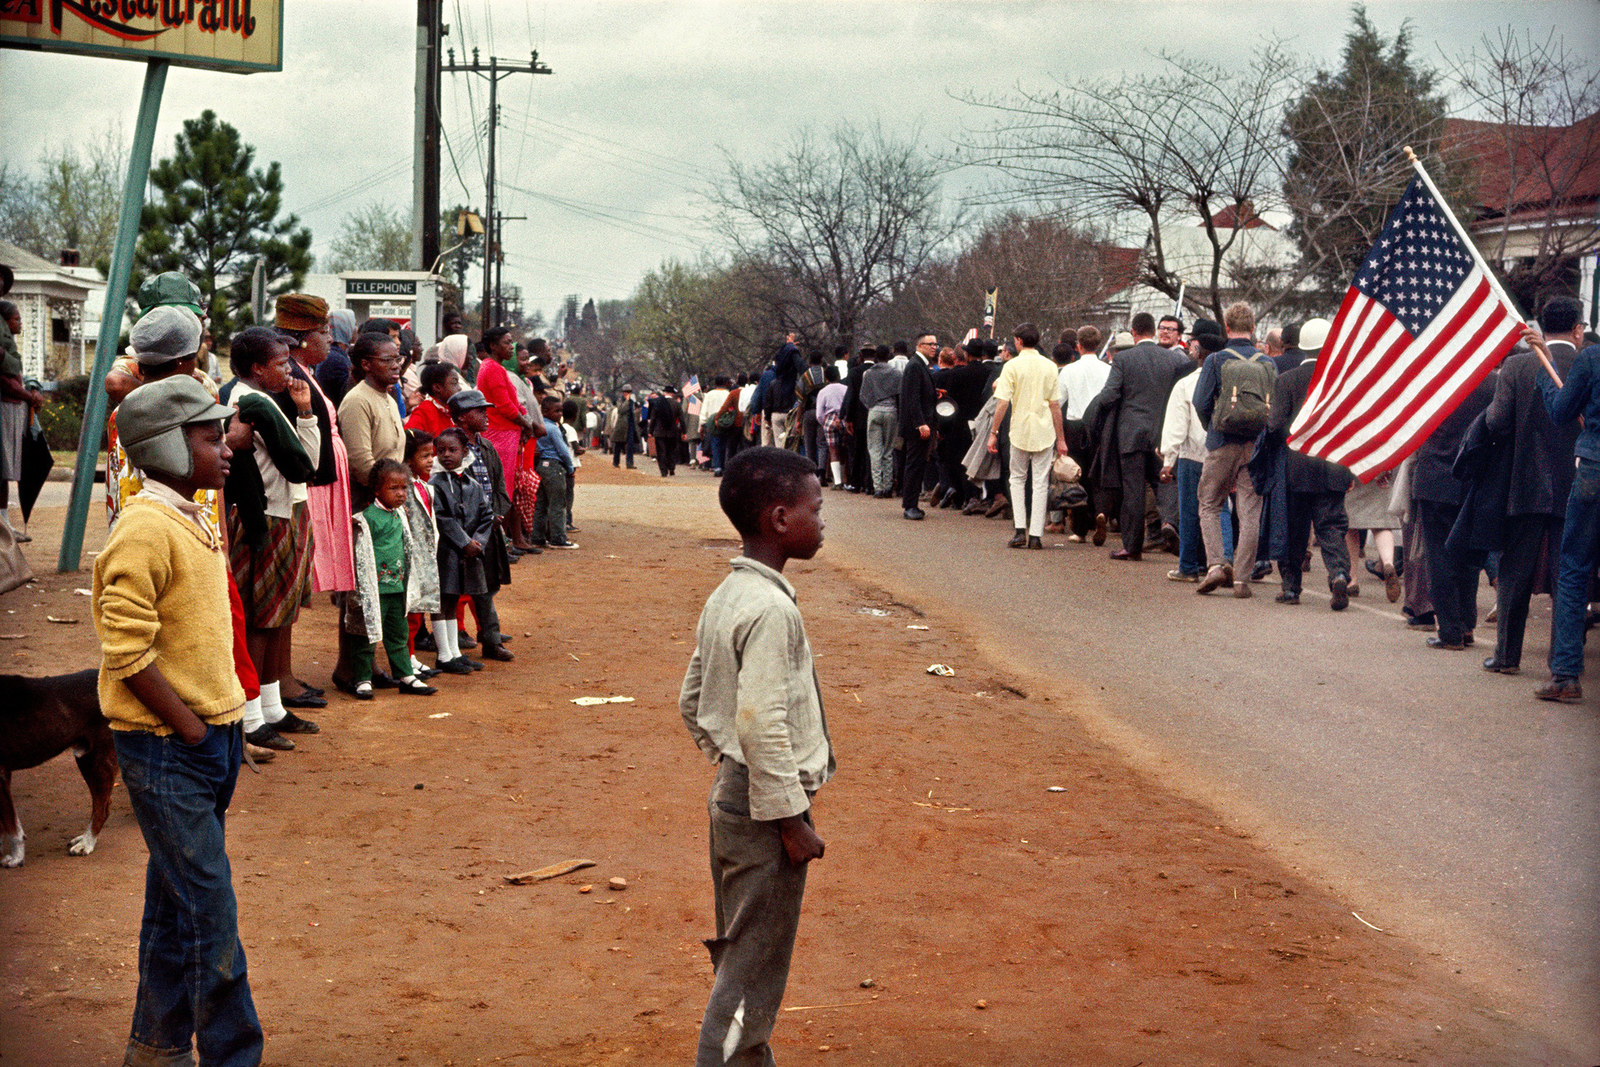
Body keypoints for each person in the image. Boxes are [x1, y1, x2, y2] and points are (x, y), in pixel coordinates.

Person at [92, 375, 264, 1066]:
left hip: (208, 737)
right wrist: (192, 729)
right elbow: (125, 648)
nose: (225, 448)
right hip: (167, 746)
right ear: (166, 444)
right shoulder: (142, 525)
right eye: (207, 436)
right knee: (209, 914)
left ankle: (156, 1046)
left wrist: (221, 725)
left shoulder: (195, 514)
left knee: (174, 902)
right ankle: (234, 1055)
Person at [678, 446, 833, 1067]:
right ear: (778, 518)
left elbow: (693, 698)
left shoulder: (731, 593)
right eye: (815, 509)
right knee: (751, 968)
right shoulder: (770, 609)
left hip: (737, 797)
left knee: (744, 950)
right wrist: (789, 820)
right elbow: (761, 722)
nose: (823, 521)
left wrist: (729, 768)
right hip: (767, 811)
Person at [221, 327, 321, 752]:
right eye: (281, 363)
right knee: (263, 616)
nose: (290, 369)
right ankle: (252, 715)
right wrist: (306, 413)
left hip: (282, 511)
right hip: (269, 516)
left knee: (279, 614)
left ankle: (273, 706)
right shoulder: (256, 401)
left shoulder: (251, 397)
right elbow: (305, 464)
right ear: (258, 369)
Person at [1482, 298, 1583, 675]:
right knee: (1568, 578)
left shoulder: (1517, 366)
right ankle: (1563, 664)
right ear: (1578, 329)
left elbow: (1496, 422)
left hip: (1523, 483)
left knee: (1514, 576)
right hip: (1577, 483)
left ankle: (1507, 656)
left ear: (1540, 326)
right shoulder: (1591, 365)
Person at [1531, 319, 1600, 702]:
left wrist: (1546, 371)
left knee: (1574, 571)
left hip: (1594, 469)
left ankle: (1565, 676)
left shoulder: (1592, 358)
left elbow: (1559, 412)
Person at [1265, 317, 1353, 609]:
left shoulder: (1286, 381)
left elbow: (1276, 424)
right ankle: (1339, 572)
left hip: (1296, 467)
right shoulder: (1341, 381)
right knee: (1331, 526)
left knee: (1294, 529)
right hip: (1333, 465)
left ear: (1302, 347)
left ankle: (1291, 588)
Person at [1093, 312, 1191, 560]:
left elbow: (1110, 394)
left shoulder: (1124, 359)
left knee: (1133, 490)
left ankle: (1132, 545)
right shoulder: (1174, 361)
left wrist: (1093, 414)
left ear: (1134, 332)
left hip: (1131, 433)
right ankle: (1170, 522)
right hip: (1163, 433)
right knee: (1165, 482)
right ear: (1154, 331)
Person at [1193, 302, 1274, 598]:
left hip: (1222, 441)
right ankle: (1242, 579)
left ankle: (1216, 564)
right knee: (1250, 511)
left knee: (1210, 504)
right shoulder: (1268, 363)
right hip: (1255, 446)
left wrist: (1213, 428)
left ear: (1226, 327)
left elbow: (1201, 401)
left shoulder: (1215, 360)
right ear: (1253, 328)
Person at [347, 460, 437, 699]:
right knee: (366, 636)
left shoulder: (399, 514)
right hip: (374, 591)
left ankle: (405, 675)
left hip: (397, 586)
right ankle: (363, 679)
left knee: (399, 633)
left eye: (404, 488)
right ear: (377, 490)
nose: (400, 494)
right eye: (393, 488)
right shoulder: (367, 518)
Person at [987, 323, 1068, 549]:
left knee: (1017, 479)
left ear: (1019, 341)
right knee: (1041, 482)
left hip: (1019, 430)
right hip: (1044, 430)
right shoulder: (1050, 367)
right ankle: (1035, 534)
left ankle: (1019, 529)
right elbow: (1055, 405)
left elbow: (1002, 402)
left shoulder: (1011, 366)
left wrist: (993, 432)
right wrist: (1061, 439)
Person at [429, 427, 496, 674]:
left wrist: (477, 542)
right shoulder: (434, 483)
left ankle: (455, 652)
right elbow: (442, 517)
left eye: (452, 450)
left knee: (454, 598)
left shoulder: (473, 484)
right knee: (443, 600)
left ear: (464, 452)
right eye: (441, 450)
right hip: (446, 551)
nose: (446, 455)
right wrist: (464, 542)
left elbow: (486, 515)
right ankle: (444, 655)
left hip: (468, 554)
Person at [532, 393, 579, 549]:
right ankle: (558, 538)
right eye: (556, 411)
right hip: (554, 467)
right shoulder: (553, 429)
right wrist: (570, 468)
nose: (560, 414)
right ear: (545, 412)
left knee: (541, 504)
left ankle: (537, 537)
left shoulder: (539, 427)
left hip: (541, 467)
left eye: (561, 411)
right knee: (558, 504)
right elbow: (563, 451)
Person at [900, 333, 939, 519]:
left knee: (918, 464)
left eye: (935, 344)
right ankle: (910, 505)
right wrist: (920, 423)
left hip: (922, 423)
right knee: (914, 465)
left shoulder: (920, 366)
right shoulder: (915, 366)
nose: (934, 347)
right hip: (917, 426)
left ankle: (912, 503)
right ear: (919, 346)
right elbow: (911, 398)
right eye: (930, 344)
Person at [860, 348, 902, 498]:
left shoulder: (869, 374)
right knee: (888, 450)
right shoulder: (897, 374)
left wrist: (872, 406)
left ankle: (877, 487)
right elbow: (899, 395)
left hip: (874, 411)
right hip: (891, 412)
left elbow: (863, 395)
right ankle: (888, 486)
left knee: (874, 450)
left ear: (876, 357)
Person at [650, 386, 685, 477]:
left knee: (661, 451)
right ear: (672, 394)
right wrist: (684, 431)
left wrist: (650, 430)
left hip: (659, 431)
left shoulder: (657, 403)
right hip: (672, 431)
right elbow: (681, 419)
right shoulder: (676, 404)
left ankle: (663, 471)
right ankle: (671, 467)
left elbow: (653, 418)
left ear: (664, 393)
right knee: (671, 450)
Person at [609, 385, 640, 467]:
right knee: (618, 445)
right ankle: (616, 462)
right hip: (621, 426)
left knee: (630, 446)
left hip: (630, 426)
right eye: (626, 392)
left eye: (629, 392)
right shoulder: (621, 401)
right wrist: (626, 401)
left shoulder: (632, 402)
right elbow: (621, 410)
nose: (627, 394)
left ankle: (629, 463)